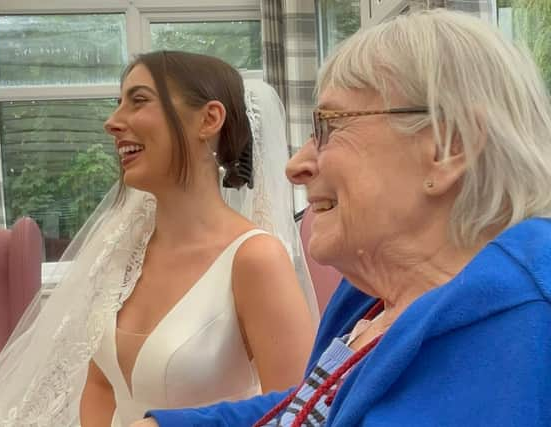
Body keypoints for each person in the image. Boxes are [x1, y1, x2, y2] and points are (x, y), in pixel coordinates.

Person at [137, 9, 551, 427]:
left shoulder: (515, 330)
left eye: (330, 126)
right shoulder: (376, 301)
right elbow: (315, 402)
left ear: (448, 148)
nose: (296, 164)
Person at [0, 52, 318, 427]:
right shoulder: (123, 250)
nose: (112, 122)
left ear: (209, 119)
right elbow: (99, 387)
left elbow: (295, 413)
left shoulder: (255, 259)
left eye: (139, 101)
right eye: (118, 104)